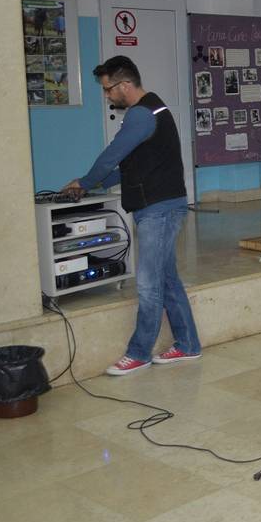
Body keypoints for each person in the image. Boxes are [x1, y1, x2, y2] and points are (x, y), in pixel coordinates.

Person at [63, 55, 201, 376]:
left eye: (108, 89)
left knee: (148, 283)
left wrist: (85, 182)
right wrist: (91, 185)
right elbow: (131, 165)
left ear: (125, 85)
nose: (107, 96)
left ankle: (139, 352)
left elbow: (111, 156)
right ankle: (188, 344)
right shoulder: (153, 109)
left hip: (159, 209)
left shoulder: (141, 114)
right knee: (166, 278)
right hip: (162, 205)